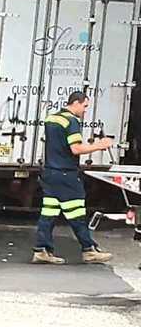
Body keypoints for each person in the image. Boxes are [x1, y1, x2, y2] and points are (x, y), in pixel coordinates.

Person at [32, 91, 114, 264]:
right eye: (85, 106)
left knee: (49, 213)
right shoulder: (72, 121)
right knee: (77, 214)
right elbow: (75, 149)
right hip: (66, 174)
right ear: (76, 103)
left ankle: (41, 250)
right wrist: (100, 145)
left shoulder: (51, 119)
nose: (85, 111)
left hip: (50, 173)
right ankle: (89, 249)